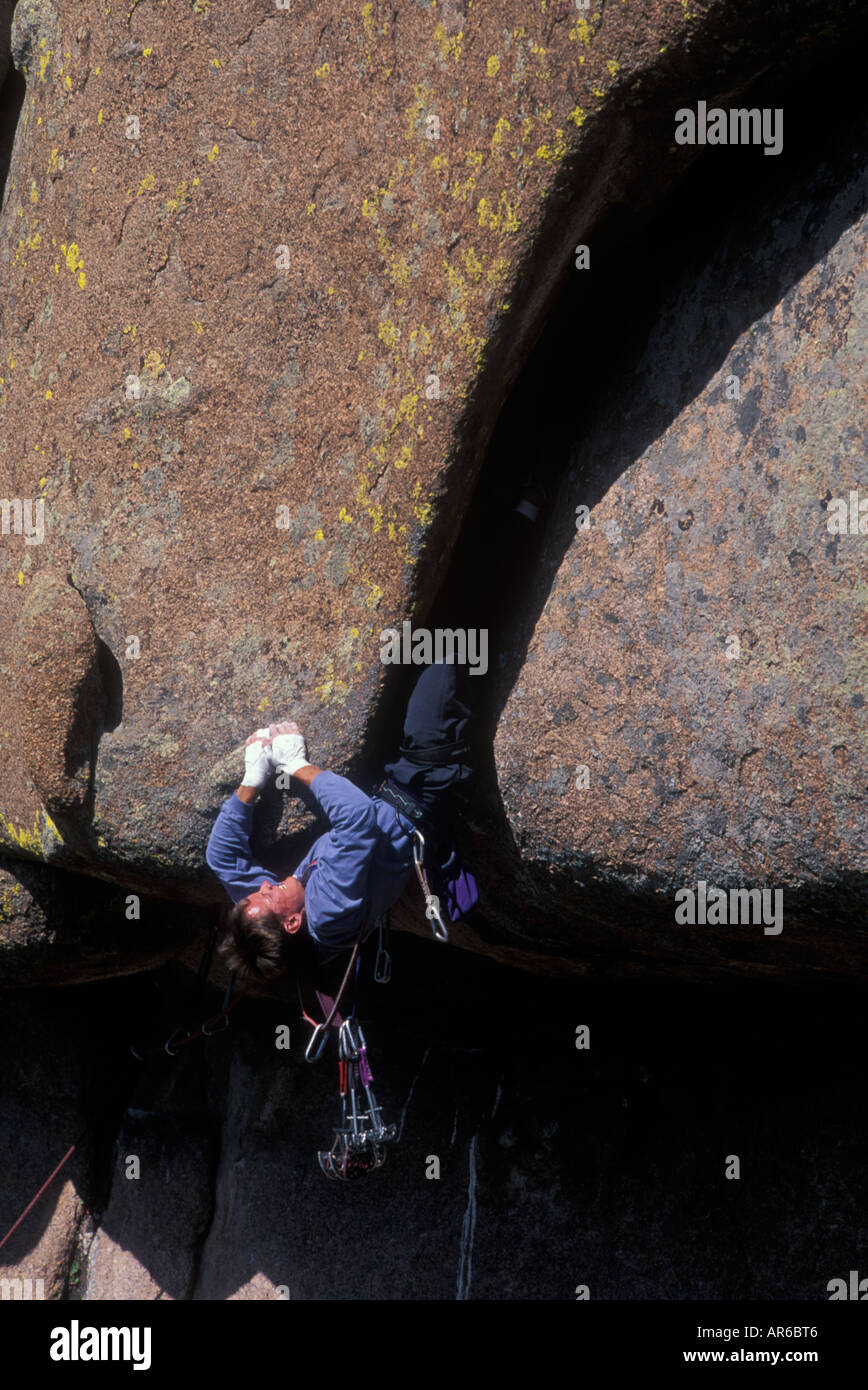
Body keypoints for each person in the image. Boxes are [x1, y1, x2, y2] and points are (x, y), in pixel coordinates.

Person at [205, 662, 474, 987]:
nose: (263, 886)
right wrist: (296, 765)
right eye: (268, 896)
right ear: (292, 923)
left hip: (390, 784)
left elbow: (220, 858)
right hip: (425, 781)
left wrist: (252, 780)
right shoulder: (328, 912)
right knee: (445, 651)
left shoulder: (273, 909)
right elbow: (357, 816)